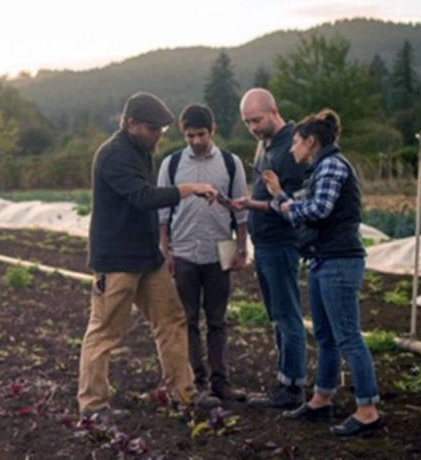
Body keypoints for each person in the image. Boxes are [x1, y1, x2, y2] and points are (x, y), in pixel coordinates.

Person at [79, 92, 221, 424]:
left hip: (147, 257)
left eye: (161, 130)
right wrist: (190, 188)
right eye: (153, 128)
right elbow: (143, 198)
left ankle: (183, 392)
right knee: (104, 331)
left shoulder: (141, 151)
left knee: (171, 319)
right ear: (131, 124)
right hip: (116, 260)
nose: (159, 135)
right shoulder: (114, 155)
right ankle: (92, 405)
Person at [262, 109, 382, 437]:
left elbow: (317, 210)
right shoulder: (319, 168)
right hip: (321, 260)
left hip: (339, 261)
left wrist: (285, 206)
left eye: (297, 142)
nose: (291, 148)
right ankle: (321, 400)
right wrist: (277, 196)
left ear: (311, 142)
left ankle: (368, 409)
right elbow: (298, 207)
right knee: (326, 337)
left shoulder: (331, 165)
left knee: (348, 337)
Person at [157, 104, 248, 402]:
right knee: (188, 319)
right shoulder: (171, 165)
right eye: (189, 136)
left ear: (213, 130)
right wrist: (165, 249)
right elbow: (162, 213)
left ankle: (221, 382)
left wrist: (241, 248)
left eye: (201, 134)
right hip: (183, 250)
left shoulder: (230, 163)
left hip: (220, 248)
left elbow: (240, 212)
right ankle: (195, 380)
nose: (195, 141)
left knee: (218, 320)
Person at [231, 89, 309, 409]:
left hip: (280, 244)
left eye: (257, 120)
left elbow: (293, 203)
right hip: (264, 243)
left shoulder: (292, 147)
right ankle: (284, 380)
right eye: (247, 122)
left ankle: (293, 387)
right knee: (276, 315)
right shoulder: (264, 144)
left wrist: (253, 204)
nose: (253, 126)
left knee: (287, 315)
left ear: (274, 111)